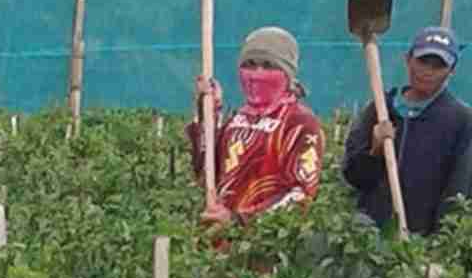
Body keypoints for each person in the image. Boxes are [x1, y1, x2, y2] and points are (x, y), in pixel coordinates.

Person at [185, 27, 325, 231]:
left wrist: (239, 221)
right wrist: (208, 114)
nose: (257, 74)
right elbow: (205, 173)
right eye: (249, 65)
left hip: (268, 246)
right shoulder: (238, 119)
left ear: (287, 73)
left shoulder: (300, 123)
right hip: (220, 242)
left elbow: (301, 195)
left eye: (268, 66)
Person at [343, 26, 472, 236]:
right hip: (368, 240)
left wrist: (438, 246)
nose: (427, 70)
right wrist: (374, 152)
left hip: (421, 246)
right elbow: (353, 177)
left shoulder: (461, 120)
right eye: (422, 60)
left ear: (451, 71)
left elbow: (459, 190)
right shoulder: (381, 108)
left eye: (438, 65)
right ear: (408, 59)